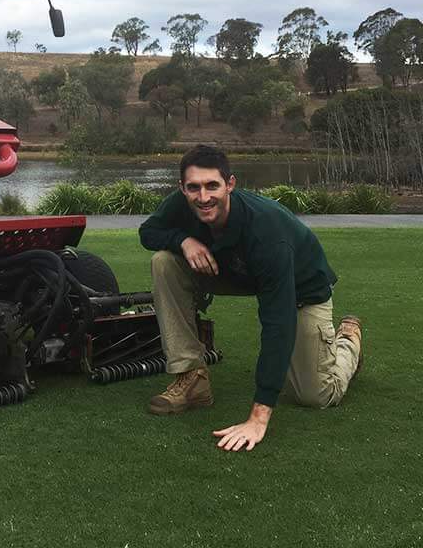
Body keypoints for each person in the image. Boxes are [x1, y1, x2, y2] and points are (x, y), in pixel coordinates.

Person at [139, 144, 362, 452]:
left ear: (230, 184)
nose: (203, 197)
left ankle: (348, 342)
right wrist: (183, 240)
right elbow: (148, 232)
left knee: (315, 395)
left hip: (301, 289)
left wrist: (258, 417)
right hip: (234, 271)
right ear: (182, 187)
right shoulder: (180, 203)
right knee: (164, 262)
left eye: (212, 186)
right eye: (193, 187)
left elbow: (277, 323)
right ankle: (191, 378)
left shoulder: (267, 232)